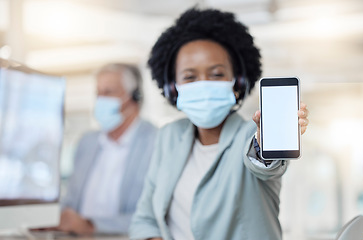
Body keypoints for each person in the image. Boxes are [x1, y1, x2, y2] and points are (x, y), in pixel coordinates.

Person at [129, 8, 309, 240]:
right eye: (190, 77)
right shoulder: (169, 136)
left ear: (238, 83)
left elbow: (266, 166)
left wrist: (266, 141)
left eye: (216, 74)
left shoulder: (249, 137)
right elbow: (145, 219)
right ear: (173, 88)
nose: (203, 84)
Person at [59, 63, 157, 235]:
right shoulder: (86, 141)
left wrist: (91, 225)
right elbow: (70, 200)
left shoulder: (156, 142)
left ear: (135, 96)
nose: (100, 100)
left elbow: (152, 216)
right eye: (98, 93)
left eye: (108, 92)